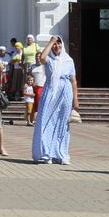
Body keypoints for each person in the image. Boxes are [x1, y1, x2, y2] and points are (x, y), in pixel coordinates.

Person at [31, 35, 77, 164]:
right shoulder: (49, 60)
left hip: (65, 92)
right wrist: (50, 42)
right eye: (55, 44)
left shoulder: (69, 60)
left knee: (62, 123)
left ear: (63, 45)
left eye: (59, 44)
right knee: (46, 121)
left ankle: (61, 154)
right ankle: (46, 154)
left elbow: (73, 80)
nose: (57, 46)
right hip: (51, 92)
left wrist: (75, 99)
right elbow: (42, 57)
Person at [26, 50, 47, 126]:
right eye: (36, 57)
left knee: (38, 103)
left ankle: (38, 119)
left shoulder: (44, 66)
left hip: (41, 86)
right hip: (33, 87)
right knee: (31, 103)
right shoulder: (32, 66)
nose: (38, 58)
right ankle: (31, 120)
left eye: (39, 57)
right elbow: (29, 76)